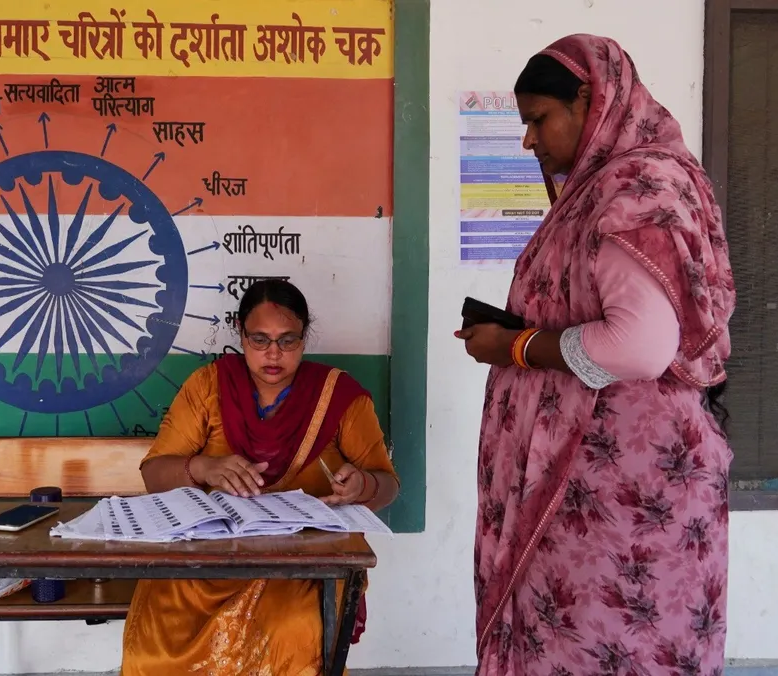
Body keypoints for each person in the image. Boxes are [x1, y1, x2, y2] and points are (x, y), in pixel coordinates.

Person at [455, 35, 736, 675]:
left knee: (609, 650)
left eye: (538, 119)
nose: (528, 141)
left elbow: (639, 346)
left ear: (590, 99)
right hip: (592, 487)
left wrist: (514, 346)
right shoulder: (608, 187)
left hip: (618, 495)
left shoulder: (637, 189)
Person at [119, 279, 399, 676]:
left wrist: (362, 486)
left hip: (305, 566)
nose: (273, 353)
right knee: (156, 644)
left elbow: (387, 484)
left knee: (290, 634)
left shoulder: (338, 396)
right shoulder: (209, 386)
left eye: (288, 340)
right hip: (207, 560)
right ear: (240, 333)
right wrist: (202, 467)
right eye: (260, 339)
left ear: (304, 336)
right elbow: (153, 473)